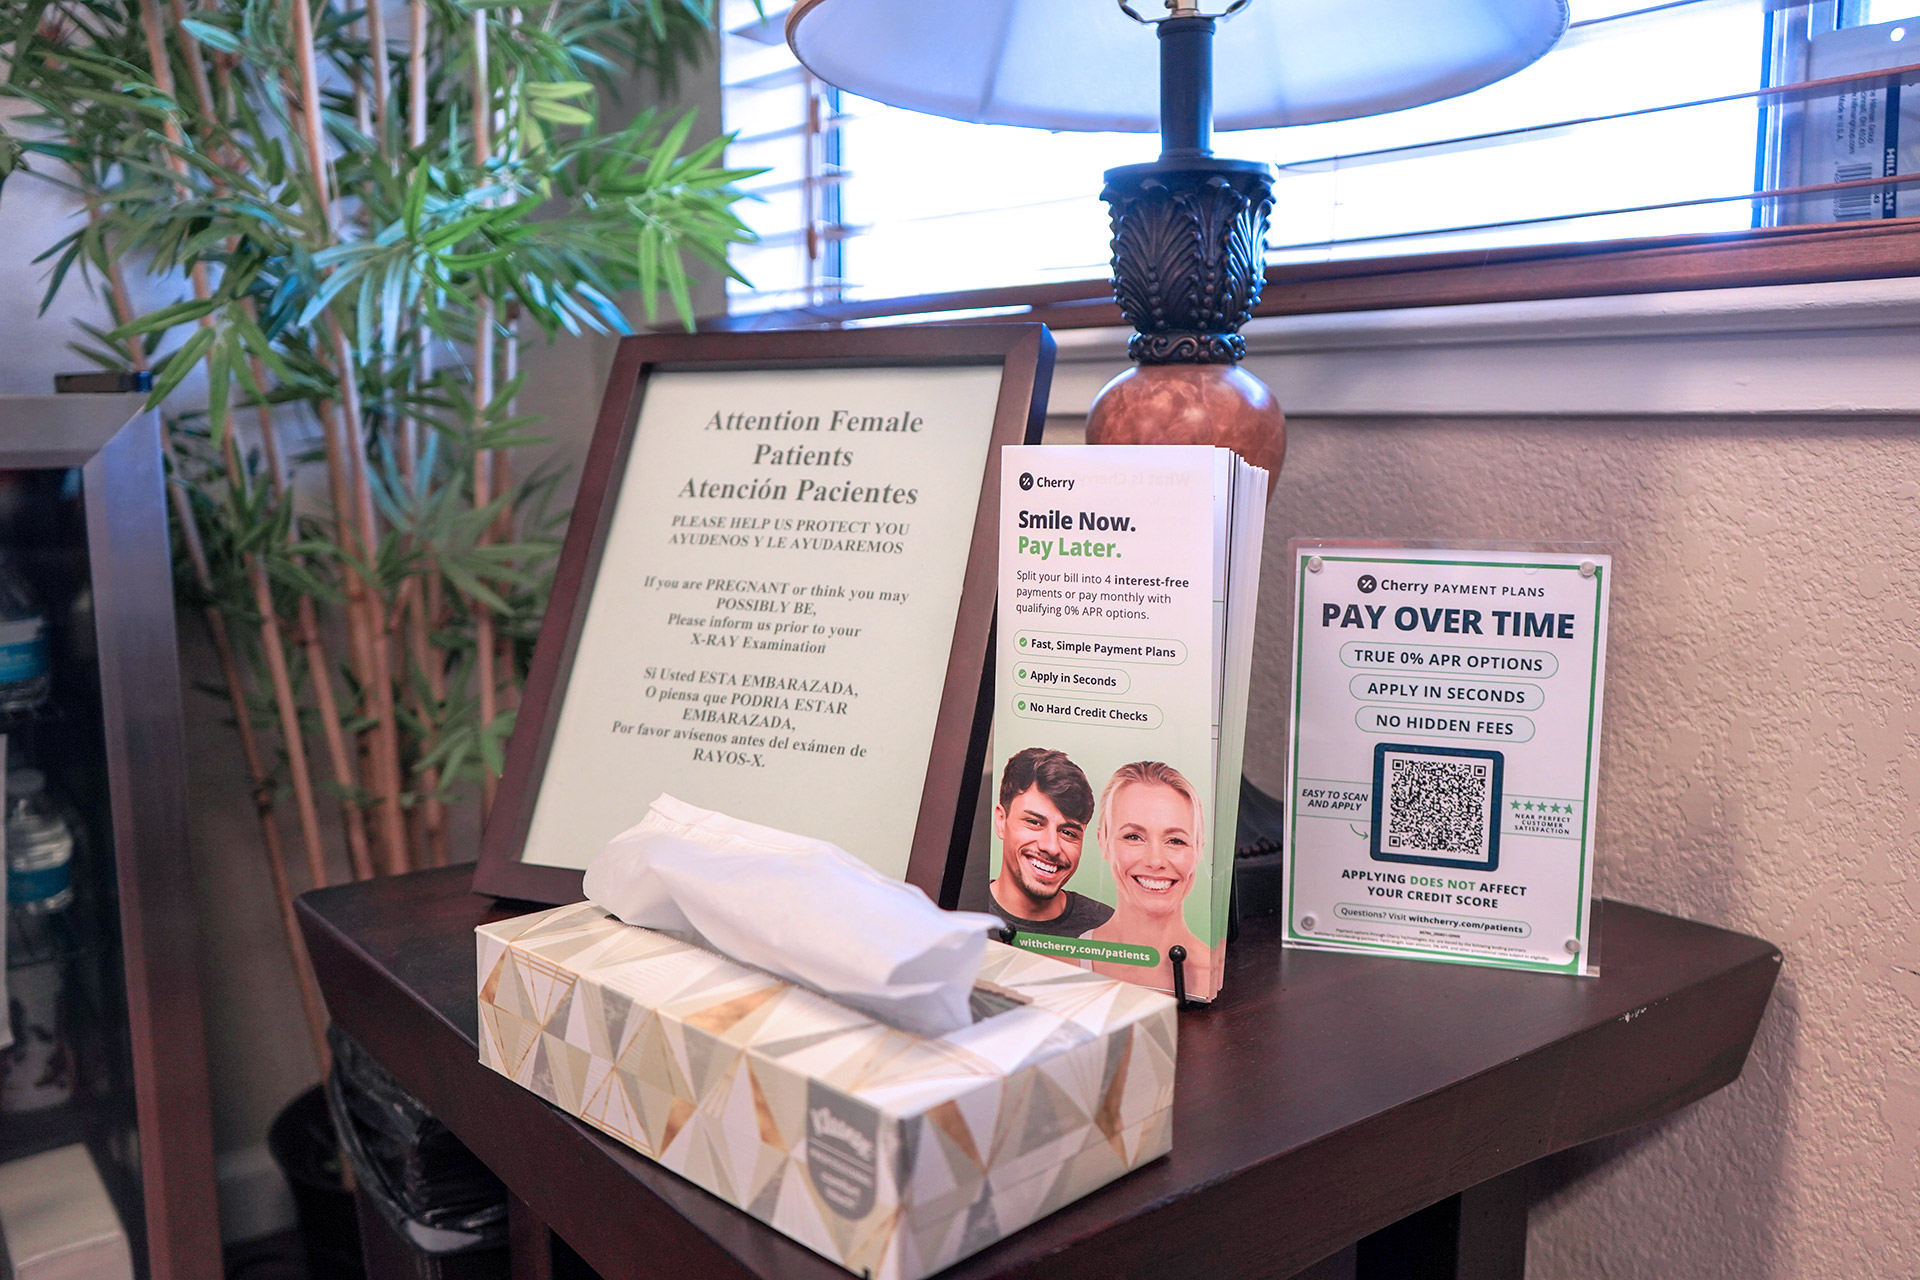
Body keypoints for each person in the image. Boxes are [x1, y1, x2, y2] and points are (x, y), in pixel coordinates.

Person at [1085, 761, 1214, 996]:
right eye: (1134, 837)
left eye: (1175, 840)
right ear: (1103, 842)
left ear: (1198, 850)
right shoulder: (1064, 961)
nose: (1156, 861)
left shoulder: (1212, 974)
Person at [987, 747, 1113, 937]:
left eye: (1067, 832)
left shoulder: (1107, 929)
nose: (1052, 847)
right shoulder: (961, 912)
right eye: (1034, 822)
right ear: (1001, 821)